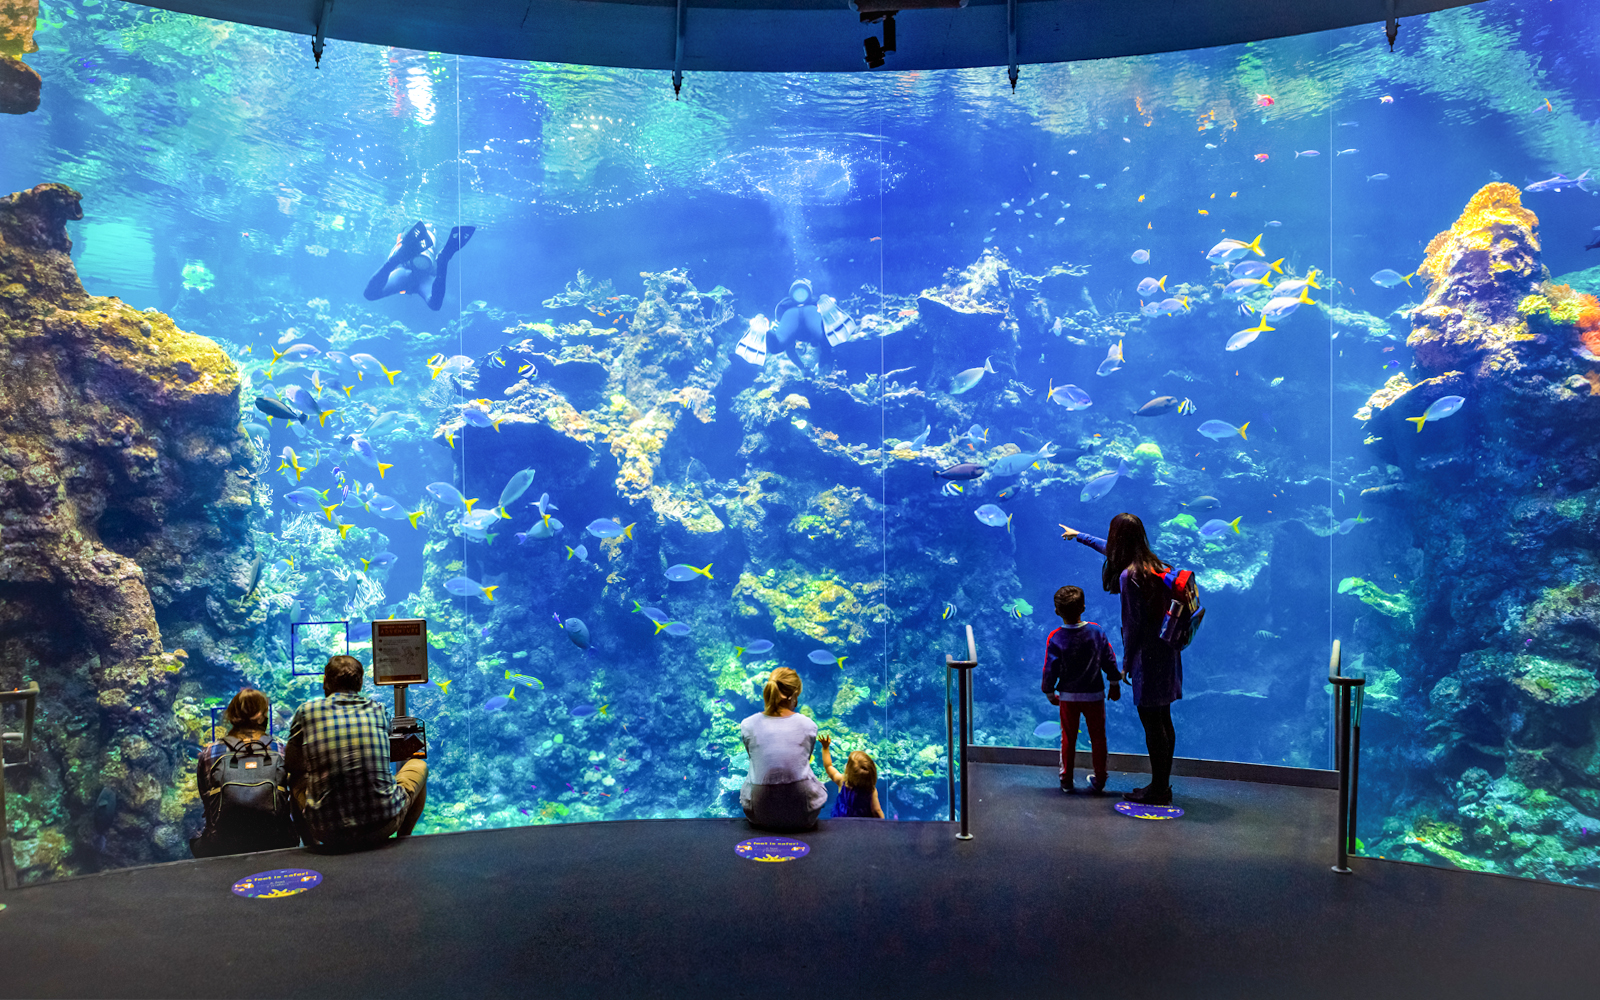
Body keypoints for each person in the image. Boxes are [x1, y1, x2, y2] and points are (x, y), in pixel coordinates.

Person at [1059, 513, 1182, 806]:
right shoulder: (1157, 565)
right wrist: (1080, 536)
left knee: (1151, 721)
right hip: (1168, 650)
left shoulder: (1130, 577)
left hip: (1148, 656)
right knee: (1164, 718)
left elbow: (1132, 624)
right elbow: (1110, 551)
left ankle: (1159, 790)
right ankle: (1162, 784)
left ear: (1119, 540)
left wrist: (1127, 663)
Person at [285, 655, 427, 849]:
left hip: (328, 831)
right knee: (419, 765)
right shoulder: (378, 709)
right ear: (360, 683)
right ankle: (403, 840)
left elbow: (291, 764)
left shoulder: (306, 711)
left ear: (325, 681)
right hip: (383, 824)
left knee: (294, 778)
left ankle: (311, 846)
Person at [190, 688, 300, 858]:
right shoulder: (279, 749)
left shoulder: (210, 753)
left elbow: (207, 801)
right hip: (276, 840)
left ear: (231, 716)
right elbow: (290, 798)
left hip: (223, 845)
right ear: (262, 716)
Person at [1040, 585, 1121, 795]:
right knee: (1098, 737)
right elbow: (1109, 658)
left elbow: (1051, 667)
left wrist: (1049, 691)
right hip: (1095, 695)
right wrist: (1114, 682)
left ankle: (1066, 780)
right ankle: (1100, 779)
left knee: (1068, 737)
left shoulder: (1056, 637)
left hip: (1068, 697)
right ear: (1083, 607)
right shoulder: (1096, 632)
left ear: (1057, 611)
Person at [738, 667, 829, 831]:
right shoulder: (809, 725)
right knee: (816, 780)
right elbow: (801, 763)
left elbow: (755, 758)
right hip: (803, 815)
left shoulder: (747, 725)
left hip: (759, 815)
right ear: (794, 695)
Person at [363, 220, 474, 311]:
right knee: (435, 304)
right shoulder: (420, 282)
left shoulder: (403, 278)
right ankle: (443, 260)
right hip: (424, 275)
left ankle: (399, 257)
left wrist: (397, 259)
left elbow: (370, 292)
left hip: (405, 269)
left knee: (370, 294)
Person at [818, 735, 884, 818]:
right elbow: (876, 811)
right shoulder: (871, 791)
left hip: (840, 820)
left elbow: (828, 766)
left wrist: (825, 748)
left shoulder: (842, 781)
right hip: (861, 824)